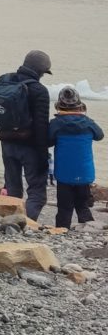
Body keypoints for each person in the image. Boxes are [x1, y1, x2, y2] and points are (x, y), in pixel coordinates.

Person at [0, 50, 52, 221]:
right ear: (41, 71)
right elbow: (41, 127)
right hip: (30, 147)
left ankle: (10, 222)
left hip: (6, 143)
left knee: (13, 190)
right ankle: (24, 223)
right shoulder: (39, 90)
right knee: (37, 194)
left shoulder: (3, 80)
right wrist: (44, 157)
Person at [47, 85, 103, 229]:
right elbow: (100, 135)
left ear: (59, 105)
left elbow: (47, 141)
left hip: (64, 174)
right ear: (79, 105)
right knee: (83, 205)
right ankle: (89, 230)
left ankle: (61, 231)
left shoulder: (56, 124)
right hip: (84, 173)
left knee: (64, 208)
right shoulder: (88, 123)